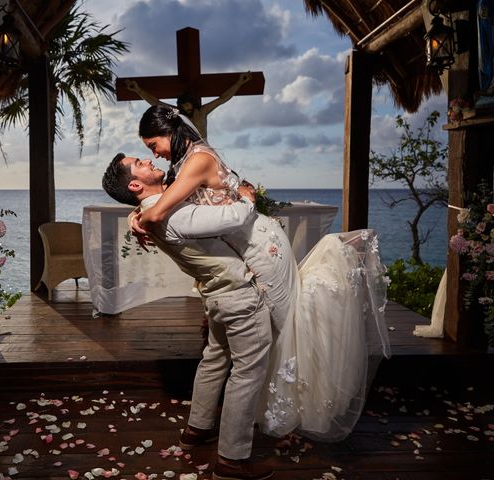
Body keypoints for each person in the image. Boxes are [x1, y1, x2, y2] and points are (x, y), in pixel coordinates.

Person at [131, 104, 392, 442]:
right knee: (266, 330)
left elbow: (159, 211)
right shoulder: (183, 163)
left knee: (285, 324)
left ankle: (298, 404)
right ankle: (271, 407)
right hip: (248, 247)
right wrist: (134, 216)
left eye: (153, 146)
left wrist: (142, 219)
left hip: (262, 247)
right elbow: (158, 201)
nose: (155, 154)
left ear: (170, 131)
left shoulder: (198, 159)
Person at [102, 153, 275, 480]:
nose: (149, 161)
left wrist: (132, 218)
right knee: (248, 372)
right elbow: (233, 218)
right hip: (236, 296)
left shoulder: (149, 211)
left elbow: (148, 207)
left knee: (215, 358)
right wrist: (248, 199)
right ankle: (231, 461)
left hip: (216, 297)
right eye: (140, 162)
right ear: (136, 183)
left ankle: (197, 429)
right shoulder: (173, 215)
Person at [125, 72, 252, 139]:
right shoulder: (176, 113)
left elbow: (223, 98)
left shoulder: (203, 111)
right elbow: (157, 103)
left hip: (204, 149)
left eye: (189, 105)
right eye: (184, 106)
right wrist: (138, 90)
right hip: (186, 150)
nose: (187, 109)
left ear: (193, 104)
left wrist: (239, 82)